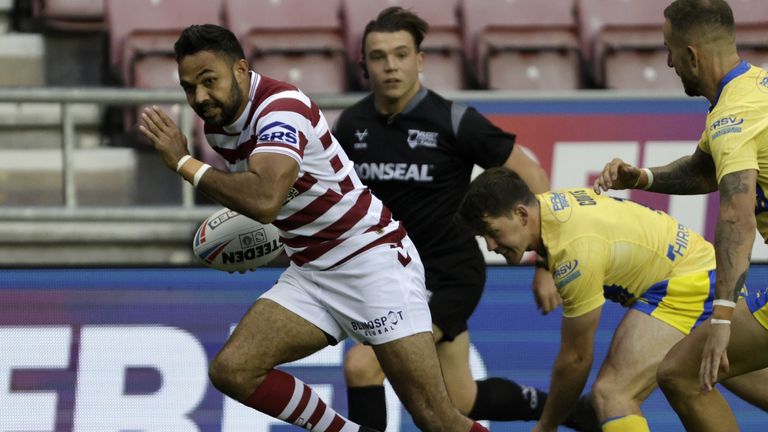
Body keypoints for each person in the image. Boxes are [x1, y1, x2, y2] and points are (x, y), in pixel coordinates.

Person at [138, 23, 491, 432]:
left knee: (436, 418)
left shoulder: (281, 106)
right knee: (233, 369)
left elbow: (266, 199)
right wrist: (257, 242)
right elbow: (279, 201)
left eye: (208, 81)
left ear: (240, 70)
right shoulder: (218, 128)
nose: (200, 97)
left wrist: (184, 163)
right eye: (188, 87)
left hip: (371, 261)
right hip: (312, 271)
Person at [333, 7, 597, 431]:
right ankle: (581, 414)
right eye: (379, 57)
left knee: (363, 366)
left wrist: (547, 264)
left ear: (419, 60)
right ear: (364, 65)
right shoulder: (351, 125)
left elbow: (533, 176)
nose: (391, 65)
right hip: (389, 282)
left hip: (450, 276)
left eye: (401, 54)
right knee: (462, 400)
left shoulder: (454, 121)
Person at [455, 166, 768, 432]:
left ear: (521, 214)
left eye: (492, 232)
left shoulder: (573, 251)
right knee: (745, 383)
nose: (491, 245)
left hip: (685, 284)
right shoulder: (550, 210)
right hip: (700, 270)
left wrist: (546, 426)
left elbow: (576, 360)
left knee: (612, 393)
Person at [592, 0, 768, 429]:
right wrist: (643, 177)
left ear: (691, 55)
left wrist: (722, 316)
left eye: (669, 49)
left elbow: (736, 219)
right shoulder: (752, 90)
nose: (668, 61)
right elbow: (705, 169)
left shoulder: (735, 115)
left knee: (682, 372)